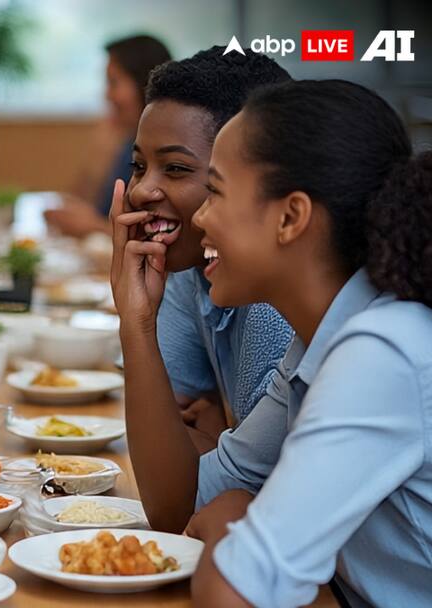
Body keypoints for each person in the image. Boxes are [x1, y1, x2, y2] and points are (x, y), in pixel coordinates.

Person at [179, 80, 432, 608]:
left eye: (217, 191)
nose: (199, 216)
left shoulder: (384, 350)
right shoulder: (326, 332)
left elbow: (232, 593)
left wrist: (232, 521)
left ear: (291, 217)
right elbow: (195, 497)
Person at [106, 47, 293, 534]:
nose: (144, 190)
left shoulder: (275, 307)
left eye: (177, 169)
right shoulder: (191, 266)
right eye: (139, 165)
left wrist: (216, 435)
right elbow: (164, 426)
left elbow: (181, 506)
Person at [44, 34, 170, 237]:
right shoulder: (127, 142)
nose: (106, 95)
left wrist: (91, 227)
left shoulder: (166, 154)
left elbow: (156, 237)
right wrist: (97, 153)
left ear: (144, 83)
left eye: (113, 82)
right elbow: (87, 204)